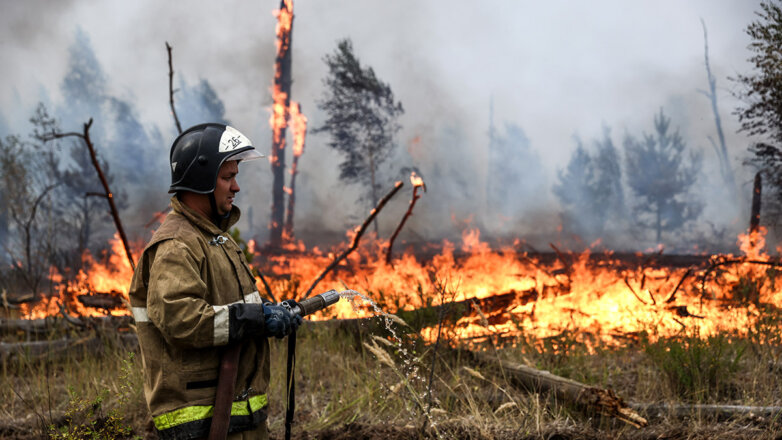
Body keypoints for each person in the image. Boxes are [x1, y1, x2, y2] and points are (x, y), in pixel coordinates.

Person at [128, 123, 301, 439]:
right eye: (227, 177)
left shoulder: (216, 241)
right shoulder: (178, 245)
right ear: (200, 181)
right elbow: (179, 318)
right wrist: (254, 318)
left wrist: (269, 315)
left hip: (238, 411)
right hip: (203, 418)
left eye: (235, 177)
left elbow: (235, 308)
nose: (236, 187)